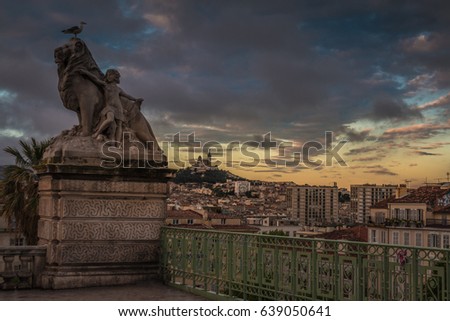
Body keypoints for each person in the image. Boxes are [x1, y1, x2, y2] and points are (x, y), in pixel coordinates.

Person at [79, 68, 143, 142]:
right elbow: (94, 79)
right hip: (110, 107)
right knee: (110, 119)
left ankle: (117, 144)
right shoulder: (105, 85)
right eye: (109, 75)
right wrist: (85, 72)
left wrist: (135, 99)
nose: (110, 76)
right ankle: (97, 133)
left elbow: (127, 96)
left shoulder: (118, 89)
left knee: (119, 126)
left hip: (119, 108)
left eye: (112, 75)